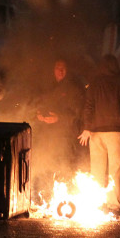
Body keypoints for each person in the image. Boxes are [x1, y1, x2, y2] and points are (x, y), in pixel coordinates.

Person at [78, 54, 120, 215]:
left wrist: (86, 128)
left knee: (96, 170)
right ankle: (113, 204)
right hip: (116, 133)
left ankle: (95, 202)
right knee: (115, 170)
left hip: (96, 133)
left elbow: (88, 107)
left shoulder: (94, 84)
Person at [33, 58, 85, 195]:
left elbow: (77, 115)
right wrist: (39, 115)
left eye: (63, 68)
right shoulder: (49, 87)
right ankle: (50, 198)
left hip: (67, 137)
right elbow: (40, 105)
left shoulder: (74, 89)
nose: (60, 71)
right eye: (57, 67)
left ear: (67, 71)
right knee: (50, 167)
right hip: (50, 136)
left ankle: (68, 198)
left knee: (66, 167)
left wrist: (59, 118)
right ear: (53, 70)